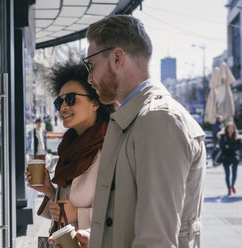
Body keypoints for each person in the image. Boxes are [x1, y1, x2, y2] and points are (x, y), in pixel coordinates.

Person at [57, 15, 207, 248]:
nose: (89, 77)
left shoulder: (158, 119)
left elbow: (155, 240)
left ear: (117, 57)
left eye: (91, 66)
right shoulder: (138, 118)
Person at [25, 61, 114, 238]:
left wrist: (77, 214)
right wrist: (49, 190)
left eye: (71, 99)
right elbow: (65, 208)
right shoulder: (68, 148)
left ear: (95, 103)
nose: (63, 107)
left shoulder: (110, 148)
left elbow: (124, 211)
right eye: (60, 101)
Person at [218, 122, 241, 196]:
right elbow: (222, 147)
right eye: (229, 127)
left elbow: (238, 147)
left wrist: (229, 146)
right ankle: (229, 189)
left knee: (234, 174)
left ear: (234, 129)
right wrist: (232, 147)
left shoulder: (237, 137)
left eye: (232, 127)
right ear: (227, 128)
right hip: (226, 157)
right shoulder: (223, 136)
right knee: (227, 174)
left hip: (234, 157)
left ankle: (232, 185)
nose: (231, 129)